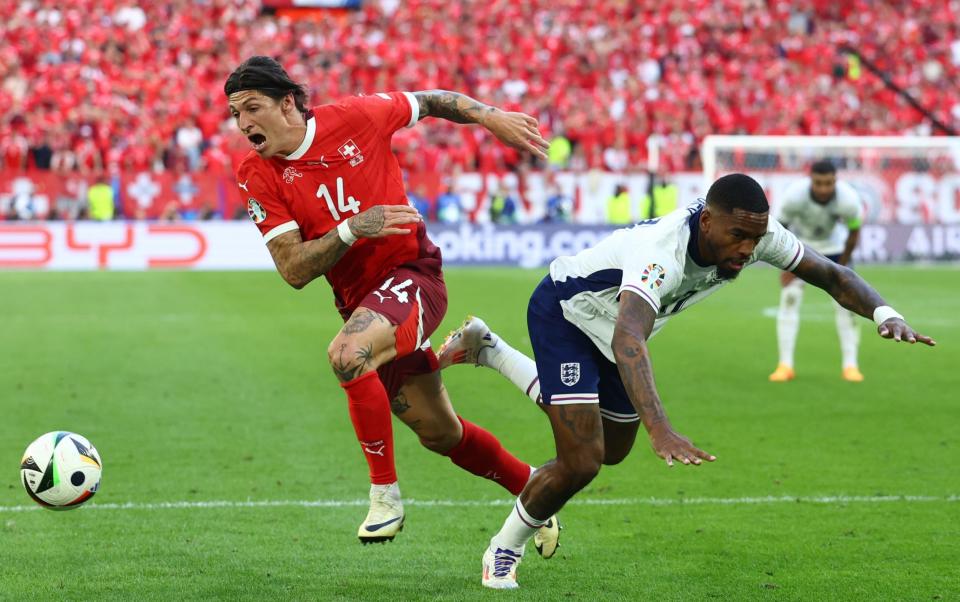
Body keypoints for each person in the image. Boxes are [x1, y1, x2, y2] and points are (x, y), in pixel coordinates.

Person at [438, 173, 935, 589]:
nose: (746, 249)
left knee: (610, 449)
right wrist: (661, 428)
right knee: (582, 460)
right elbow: (630, 337)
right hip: (567, 314)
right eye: (737, 237)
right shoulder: (663, 251)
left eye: (754, 239)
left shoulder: (757, 233)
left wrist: (884, 312)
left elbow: (831, 273)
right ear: (707, 221)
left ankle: (491, 350)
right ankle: (503, 550)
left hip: (617, 334)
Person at [223, 56, 561, 549]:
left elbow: (431, 100)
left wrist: (489, 116)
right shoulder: (255, 174)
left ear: (289, 102)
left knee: (346, 354)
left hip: (413, 276)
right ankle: (533, 488)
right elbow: (293, 269)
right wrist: (351, 228)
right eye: (235, 115)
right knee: (442, 434)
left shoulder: (357, 117)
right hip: (363, 303)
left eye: (252, 108)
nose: (243, 123)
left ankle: (385, 498)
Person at [769, 160, 865, 382]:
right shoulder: (794, 195)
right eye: (819, 183)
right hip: (802, 250)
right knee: (790, 298)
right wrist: (786, 263)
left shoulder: (848, 199)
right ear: (810, 179)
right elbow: (779, 228)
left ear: (835, 181)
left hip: (835, 250)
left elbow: (854, 232)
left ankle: (851, 366)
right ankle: (785, 365)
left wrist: (842, 266)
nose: (823, 189)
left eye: (828, 183)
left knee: (847, 306)